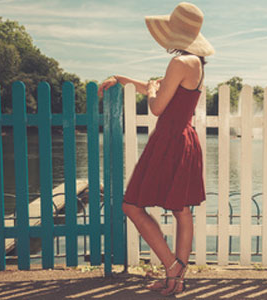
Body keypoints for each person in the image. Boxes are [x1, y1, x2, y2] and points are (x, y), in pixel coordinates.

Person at [98, 2, 214, 296]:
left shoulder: (179, 63)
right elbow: (159, 89)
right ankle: (176, 280)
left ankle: (173, 268)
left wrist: (150, 91)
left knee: (132, 206)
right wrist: (121, 78)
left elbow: (157, 105)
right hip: (182, 139)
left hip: (169, 140)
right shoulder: (195, 64)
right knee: (181, 211)